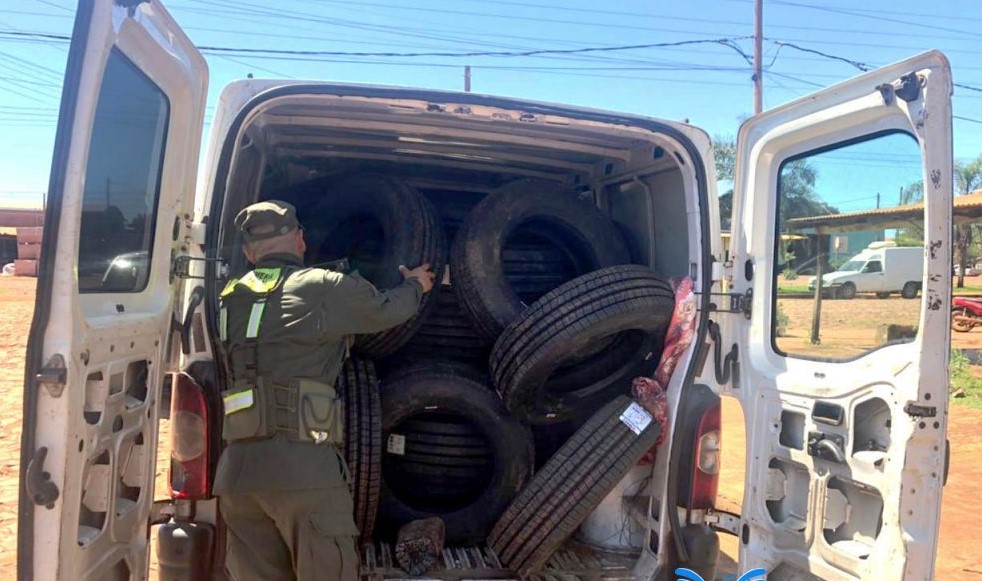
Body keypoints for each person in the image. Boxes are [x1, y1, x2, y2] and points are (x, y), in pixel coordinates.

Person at [214, 200, 435, 581]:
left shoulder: (229, 297)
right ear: (300, 240)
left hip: (238, 478)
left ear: (250, 253)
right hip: (303, 472)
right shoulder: (320, 287)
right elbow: (386, 310)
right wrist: (416, 285)